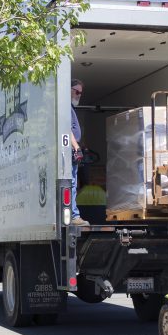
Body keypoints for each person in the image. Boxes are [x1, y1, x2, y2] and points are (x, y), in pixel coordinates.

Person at [70, 79, 90, 226]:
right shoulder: (66, 107)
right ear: (69, 90)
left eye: (80, 93)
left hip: (73, 150)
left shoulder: (70, 108)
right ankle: (74, 216)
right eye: (76, 91)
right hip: (70, 151)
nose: (79, 95)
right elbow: (66, 128)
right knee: (71, 183)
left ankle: (73, 215)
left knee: (74, 183)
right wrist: (76, 148)